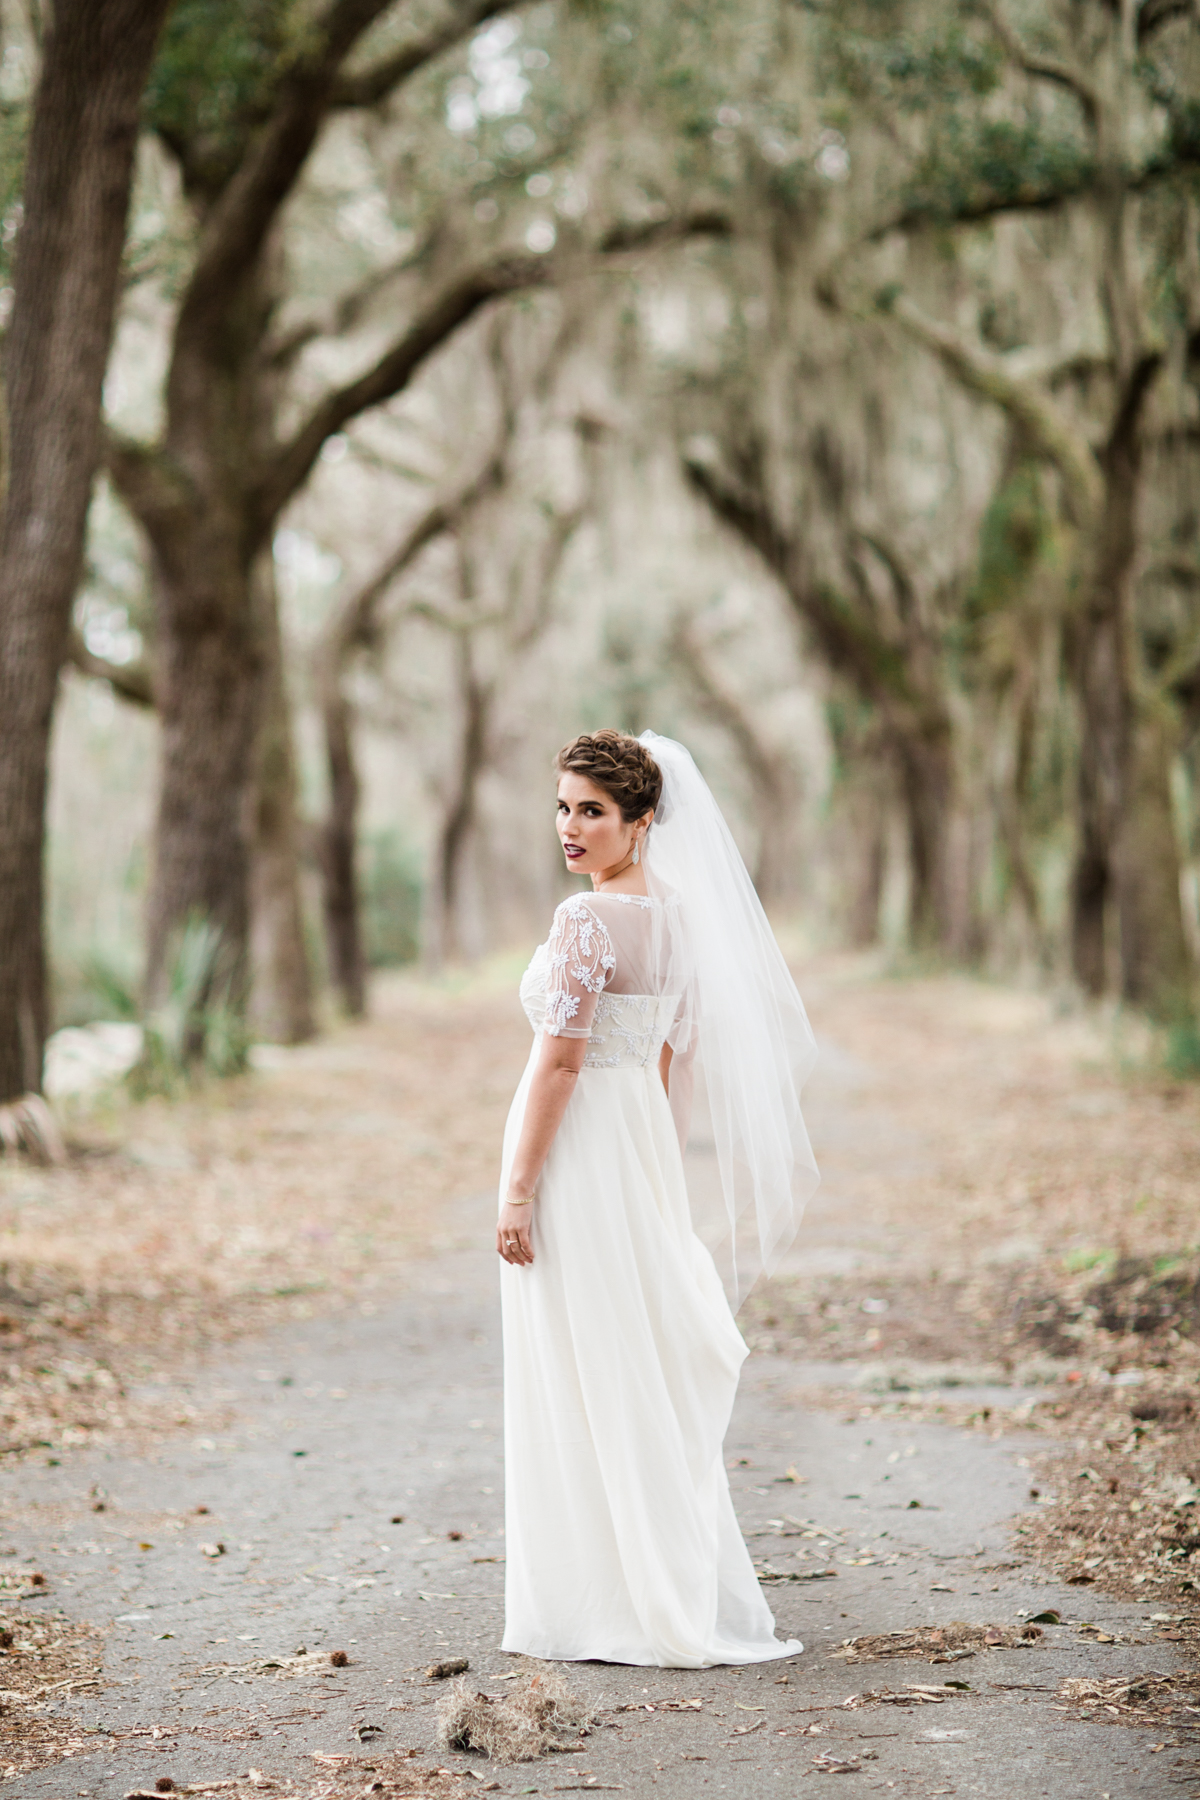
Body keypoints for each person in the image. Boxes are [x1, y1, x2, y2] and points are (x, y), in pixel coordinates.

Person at [497, 728, 819, 1668]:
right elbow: (673, 1065)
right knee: (620, 1354)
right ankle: (638, 1588)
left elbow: (560, 1063)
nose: (570, 826)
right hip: (632, 1149)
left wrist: (518, 1192)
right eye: (562, 806)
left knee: (582, 1358)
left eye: (592, 811)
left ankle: (600, 1600)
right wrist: (661, 1182)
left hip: (578, 1152)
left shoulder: (587, 924)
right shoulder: (681, 920)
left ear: (641, 822)